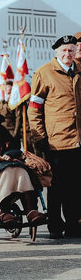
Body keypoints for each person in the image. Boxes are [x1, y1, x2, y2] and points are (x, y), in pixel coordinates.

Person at [28, 35, 81, 239]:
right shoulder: (44, 73)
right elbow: (34, 109)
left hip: (77, 139)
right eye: (64, 51)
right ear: (56, 53)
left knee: (75, 185)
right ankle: (55, 225)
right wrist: (39, 137)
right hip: (56, 140)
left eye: (71, 50)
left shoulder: (79, 71)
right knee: (57, 185)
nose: (68, 54)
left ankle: (73, 223)